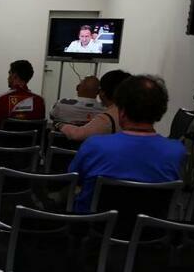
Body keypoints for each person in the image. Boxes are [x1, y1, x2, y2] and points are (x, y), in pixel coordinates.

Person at [69, 75, 186, 212]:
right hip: (150, 231)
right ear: (160, 111)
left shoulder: (95, 145)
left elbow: (73, 178)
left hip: (91, 229)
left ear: (122, 112)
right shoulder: (176, 151)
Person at [57, 70, 131, 142]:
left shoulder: (108, 117)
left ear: (102, 93)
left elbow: (78, 134)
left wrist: (60, 125)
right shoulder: (133, 111)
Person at [0, 60, 46, 129]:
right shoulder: (40, 101)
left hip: (3, 139)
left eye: (9, 73)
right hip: (29, 139)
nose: (7, 77)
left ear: (14, 75)